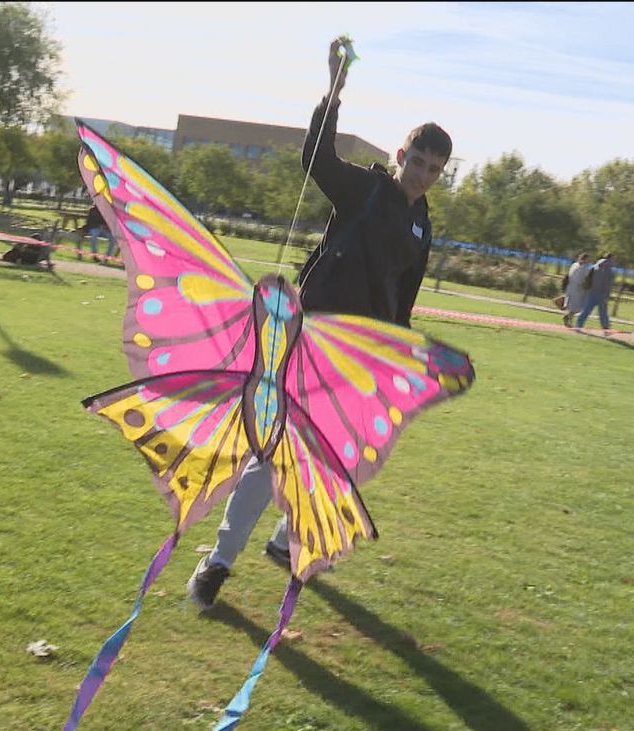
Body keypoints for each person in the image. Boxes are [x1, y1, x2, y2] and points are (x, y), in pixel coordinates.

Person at [187, 36, 453, 610]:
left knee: (345, 459)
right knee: (273, 454)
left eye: (436, 169)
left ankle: (286, 542)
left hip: (360, 359)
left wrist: (396, 357)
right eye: (419, 161)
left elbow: (403, 299)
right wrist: (334, 91)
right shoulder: (365, 187)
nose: (424, 175)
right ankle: (217, 563)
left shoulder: (422, 225)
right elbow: (316, 159)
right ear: (401, 153)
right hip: (310, 342)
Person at [575, 252, 617, 332]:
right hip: (602, 294)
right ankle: (606, 328)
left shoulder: (595, 266)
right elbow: (607, 284)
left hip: (592, 291)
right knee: (603, 313)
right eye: (614, 259)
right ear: (610, 259)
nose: (615, 261)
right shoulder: (609, 270)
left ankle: (578, 325)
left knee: (586, 310)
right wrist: (607, 295)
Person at [562, 252, 592, 328]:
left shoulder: (574, 265)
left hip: (570, 288)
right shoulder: (584, 267)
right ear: (585, 259)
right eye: (587, 259)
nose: (588, 261)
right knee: (576, 307)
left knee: (572, 306)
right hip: (578, 289)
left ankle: (569, 321)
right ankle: (567, 316)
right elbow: (587, 278)